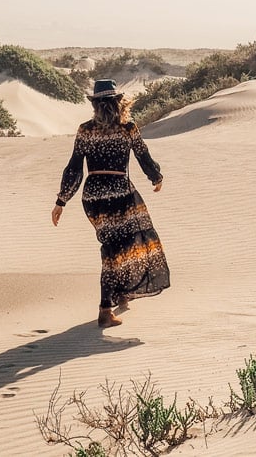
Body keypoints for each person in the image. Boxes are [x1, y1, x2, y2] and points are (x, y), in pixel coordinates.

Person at [51, 78, 170, 328]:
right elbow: (143, 155)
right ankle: (105, 309)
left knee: (114, 246)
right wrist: (156, 177)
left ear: (95, 105)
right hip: (120, 193)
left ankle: (123, 292)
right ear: (119, 103)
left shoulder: (85, 130)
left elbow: (74, 167)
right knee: (121, 246)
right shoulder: (128, 128)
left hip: (92, 196)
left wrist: (62, 200)